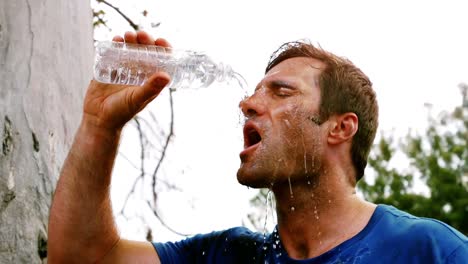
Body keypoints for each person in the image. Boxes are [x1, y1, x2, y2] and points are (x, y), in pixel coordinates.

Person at [47, 31, 467, 263]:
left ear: (340, 128)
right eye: (253, 93)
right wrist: (100, 127)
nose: (247, 103)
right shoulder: (228, 258)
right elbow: (84, 258)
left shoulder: (429, 251)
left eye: (281, 92)